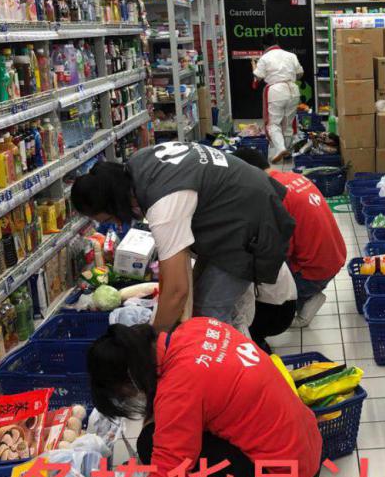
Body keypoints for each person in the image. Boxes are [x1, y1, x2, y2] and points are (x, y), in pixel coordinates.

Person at [86, 318, 322, 477]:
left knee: (152, 447)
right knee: (160, 440)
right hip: (307, 449)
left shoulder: (178, 390)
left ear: (130, 380)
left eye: (126, 394)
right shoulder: (195, 329)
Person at [71, 142, 295, 333]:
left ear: (114, 203)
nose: (117, 224)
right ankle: (239, 356)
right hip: (239, 207)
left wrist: (153, 340)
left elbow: (177, 291)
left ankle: (235, 367)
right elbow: (179, 276)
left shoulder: (162, 202)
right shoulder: (139, 165)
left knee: (210, 315)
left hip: (249, 222)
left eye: (110, 218)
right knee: (204, 306)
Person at [235, 147, 346, 330]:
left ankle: (306, 297)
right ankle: (309, 291)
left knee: (264, 294)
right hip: (334, 257)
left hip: (314, 271)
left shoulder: (272, 193)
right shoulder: (293, 177)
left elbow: (279, 251)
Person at [252, 34, 303, 163]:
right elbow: (300, 74)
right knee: (288, 123)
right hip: (293, 89)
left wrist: (253, 66)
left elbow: (258, 77)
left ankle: (280, 149)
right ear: (277, 42)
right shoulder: (291, 55)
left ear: (264, 45)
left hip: (276, 91)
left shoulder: (264, 58)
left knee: (273, 123)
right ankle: (287, 151)